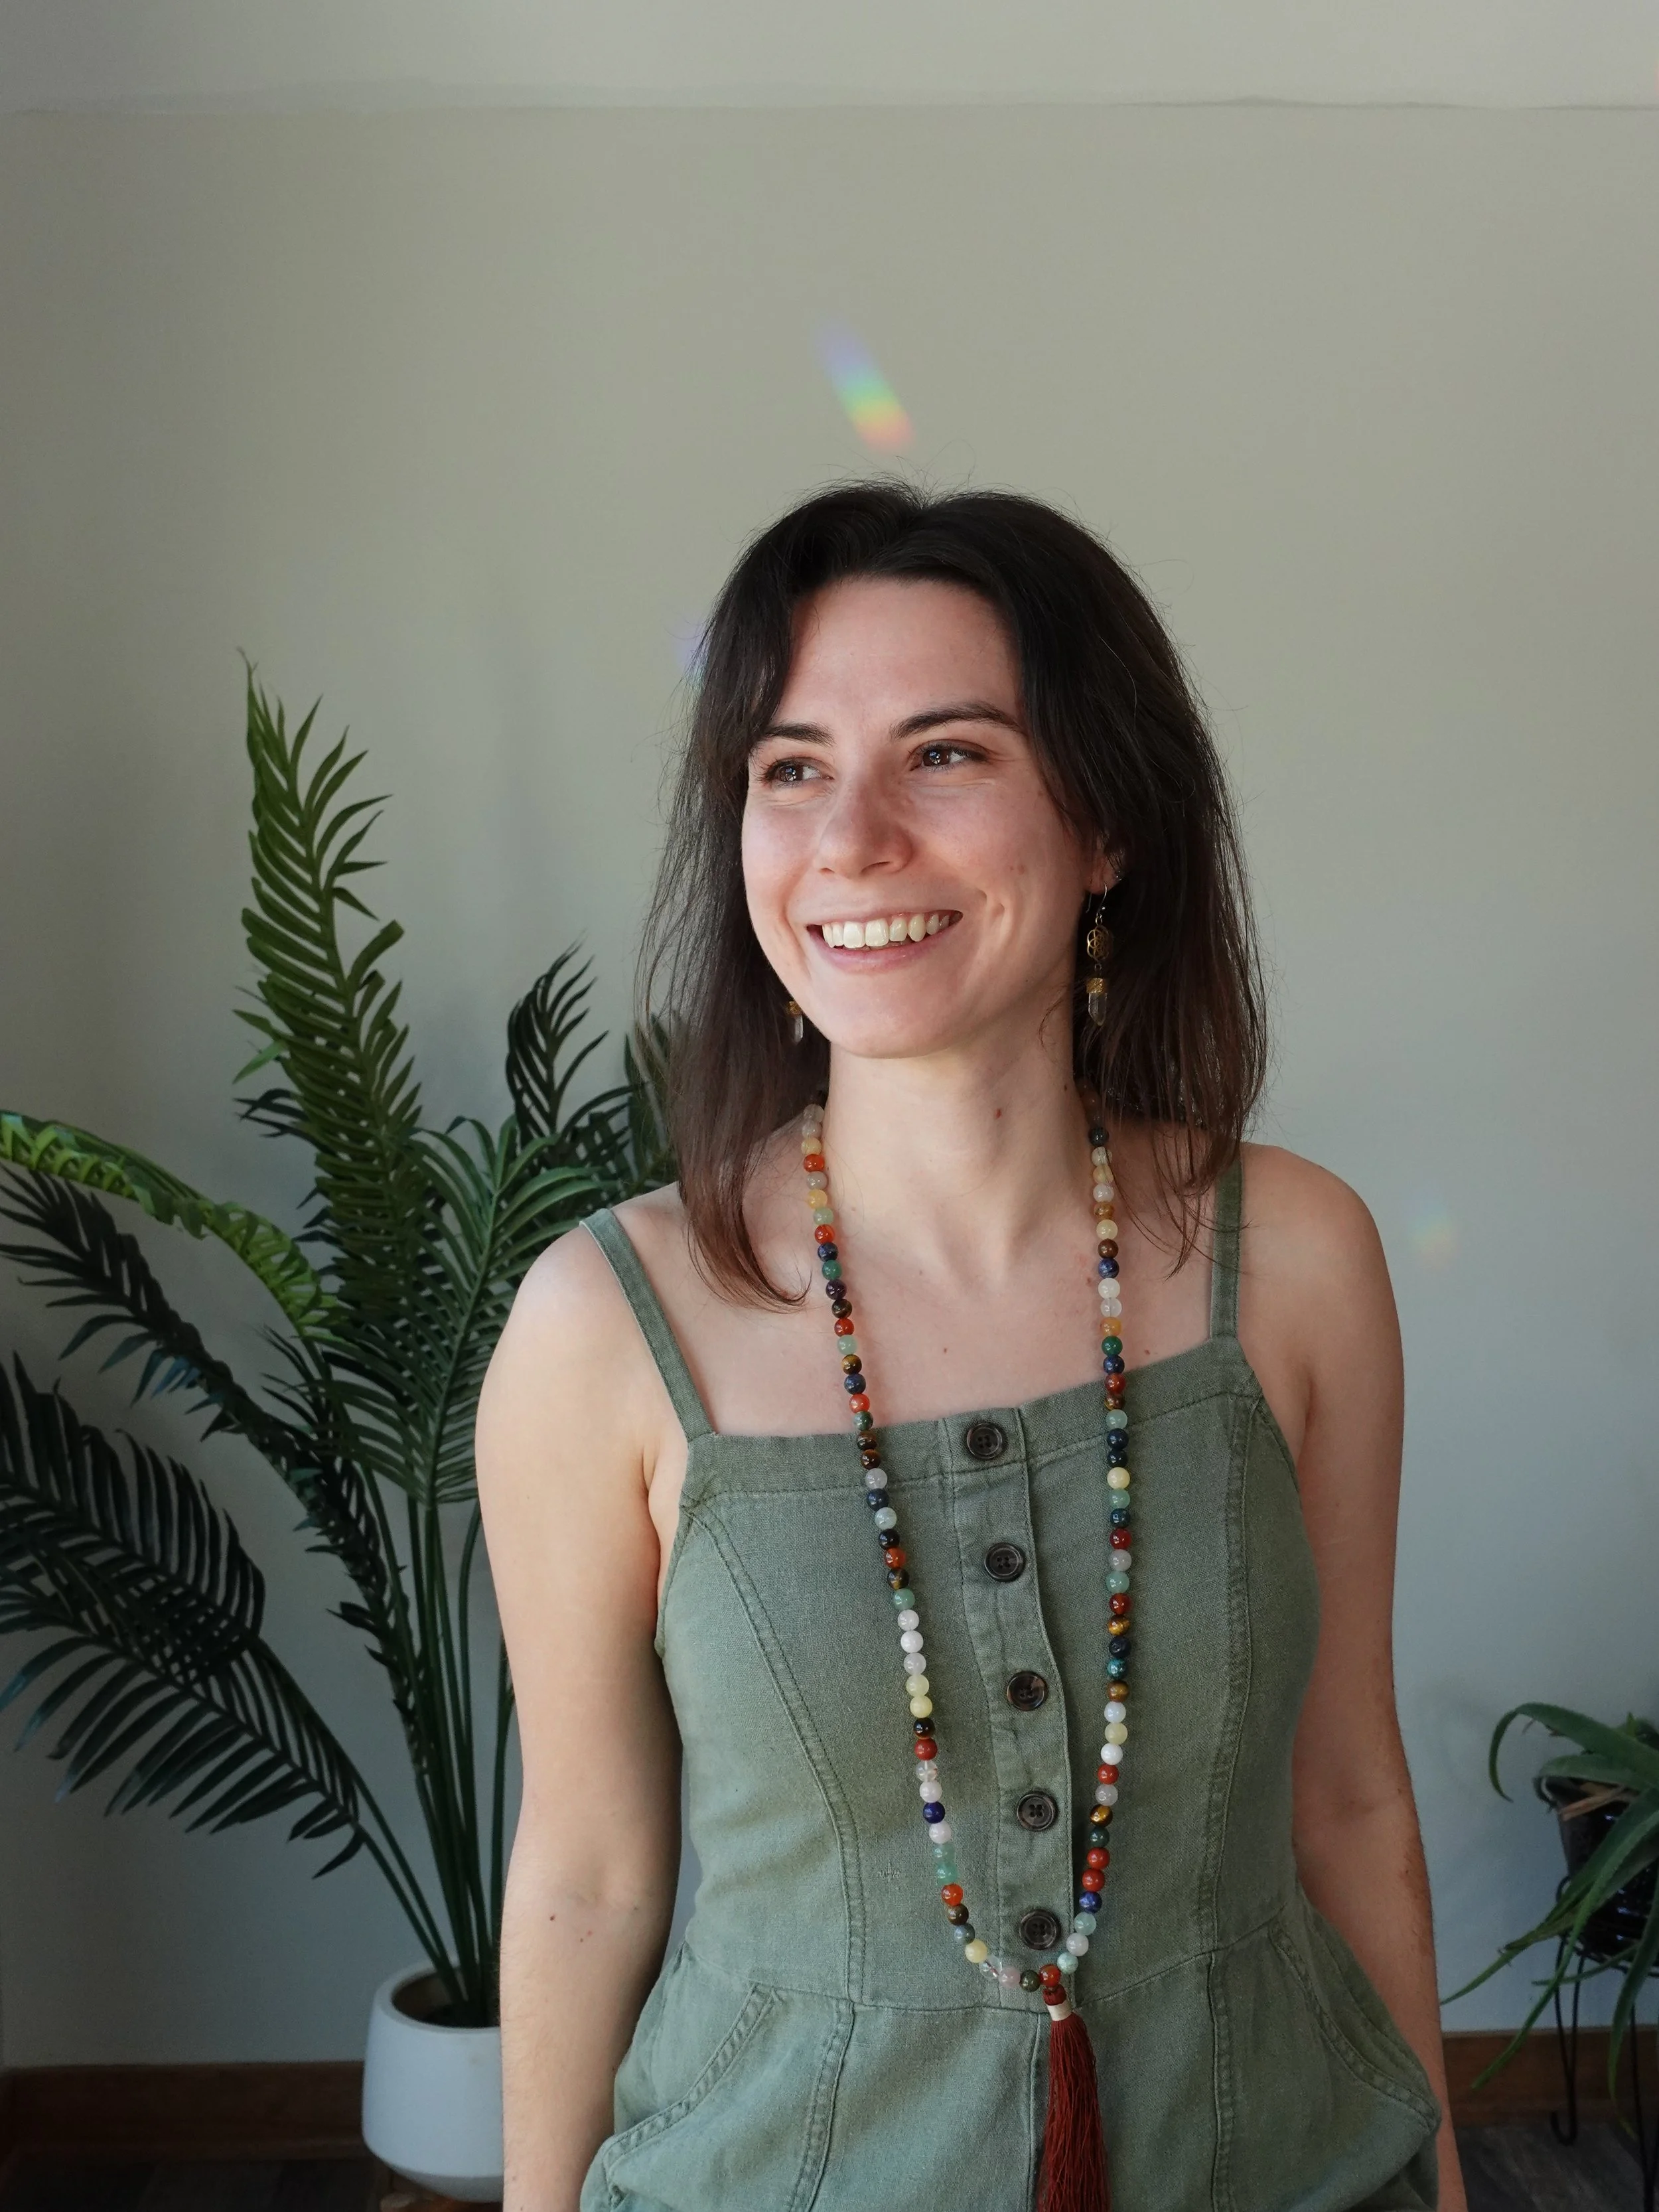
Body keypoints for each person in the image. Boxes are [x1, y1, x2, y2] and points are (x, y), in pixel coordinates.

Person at [476, 483, 1464, 2211]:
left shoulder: (1295, 1257)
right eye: (787, 766)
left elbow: (1351, 1803)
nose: (849, 834)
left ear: (1105, 824)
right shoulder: (602, 1327)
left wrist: (1441, 2180)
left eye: (945, 753)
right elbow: (585, 1875)